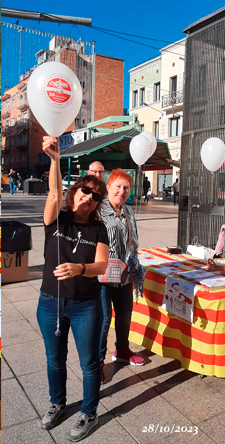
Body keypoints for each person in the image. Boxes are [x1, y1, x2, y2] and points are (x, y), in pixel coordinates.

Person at [37, 137, 109, 441]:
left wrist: (80, 268)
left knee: (89, 362)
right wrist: (55, 158)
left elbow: (102, 265)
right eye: (85, 190)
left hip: (85, 305)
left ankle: (89, 412)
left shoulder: (98, 228)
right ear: (75, 192)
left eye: (95, 195)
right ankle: (57, 403)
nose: (89, 197)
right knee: (55, 359)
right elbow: (54, 191)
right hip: (50, 303)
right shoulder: (57, 221)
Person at [99, 168, 147, 384]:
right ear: (108, 187)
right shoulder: (97, 210)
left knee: (125, 314)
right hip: (101, 276)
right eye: (118, 186)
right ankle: (98, 361)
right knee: (103, 320)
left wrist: (134, 263)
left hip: (125, 275)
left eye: (126, 187)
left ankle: (122, 351)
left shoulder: (128, 211)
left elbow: (133, 241)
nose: (122, 191)